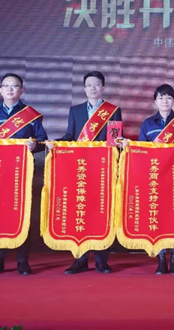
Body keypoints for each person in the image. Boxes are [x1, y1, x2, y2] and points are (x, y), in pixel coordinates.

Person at [47, 71, 122, 274]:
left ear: (103, 88)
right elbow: (70, 136)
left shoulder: (113, 111)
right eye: (89, 85)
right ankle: (79, 259)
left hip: (102, 169)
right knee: (79, 210)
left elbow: (115, 140)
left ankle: (101, 260)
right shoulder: (75, 110)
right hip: (79, 168)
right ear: (84, 88)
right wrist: (56, 143)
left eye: (97, 85)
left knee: (102, 212)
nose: (93, 88)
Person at [0, 73, 48, 276]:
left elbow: (42, 142)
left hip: (23, 173)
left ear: (22, 90)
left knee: (22, 215)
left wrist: (34, 145)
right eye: (6, 86)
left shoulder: (31, 116)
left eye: (15, 86)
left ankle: (22, 262)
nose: (10, 89)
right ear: (1, 90)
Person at [138, 84, 174, 275]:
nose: (165, 101)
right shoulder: (148, 124)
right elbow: (142, 151)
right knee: (158, 215)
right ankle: (161, 257)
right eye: (161, 98)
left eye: (168, 97)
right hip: (155, 177)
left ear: (173, 100)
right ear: (155, 101)